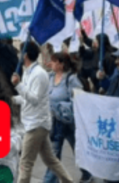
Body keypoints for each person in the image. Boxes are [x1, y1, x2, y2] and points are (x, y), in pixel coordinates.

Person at [11, 41, 74, 183]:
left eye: (20, 52)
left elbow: (34, 99)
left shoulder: (39, 74)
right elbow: (26, 98)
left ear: (25, 55)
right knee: (51, 160)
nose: (19, 55)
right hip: (34, 123)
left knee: (25, 164)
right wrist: (11, 99)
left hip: (36, 125)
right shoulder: (28, 72)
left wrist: (18, 85)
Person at [43, 52, 92, 183]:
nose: (51, 64)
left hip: (69, 122)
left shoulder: (71, 79)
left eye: (54, 61)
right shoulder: (50, 77)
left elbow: (79, 99)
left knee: (77, 149)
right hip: (55, 122)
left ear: (61, 64)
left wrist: (61, 107)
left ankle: (87, 172)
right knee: (54, 154)